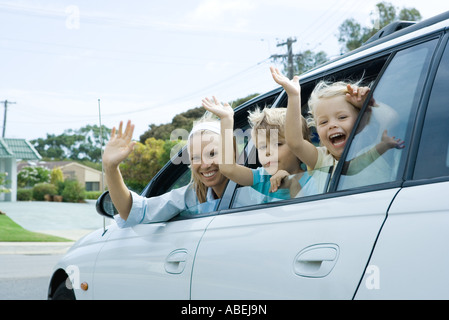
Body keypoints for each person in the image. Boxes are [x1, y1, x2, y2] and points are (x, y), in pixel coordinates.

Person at [270, 67, 404, 190]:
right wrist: (294, 96)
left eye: (342, 117)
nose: (332, 125)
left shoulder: (379, 147)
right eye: (323, 122)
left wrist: (370, 103)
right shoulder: (322, 159)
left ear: (363, 120)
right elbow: (295, 142)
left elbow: (391, 119)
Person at [102, 116, 229, 228]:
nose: (205, 165)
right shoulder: (191, 197)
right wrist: (111, 168)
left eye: (212, 154)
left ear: (231, 151)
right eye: (195, 157)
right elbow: (134, 211)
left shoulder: (248, 184)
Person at [201, 96, 313, 200]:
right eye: (262, 147)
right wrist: (226, 120)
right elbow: (227, 168)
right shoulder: (262, 177)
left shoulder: (314, 178)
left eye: (278, 144)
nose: (268, 152)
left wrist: (292, 183)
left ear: (299, 145)